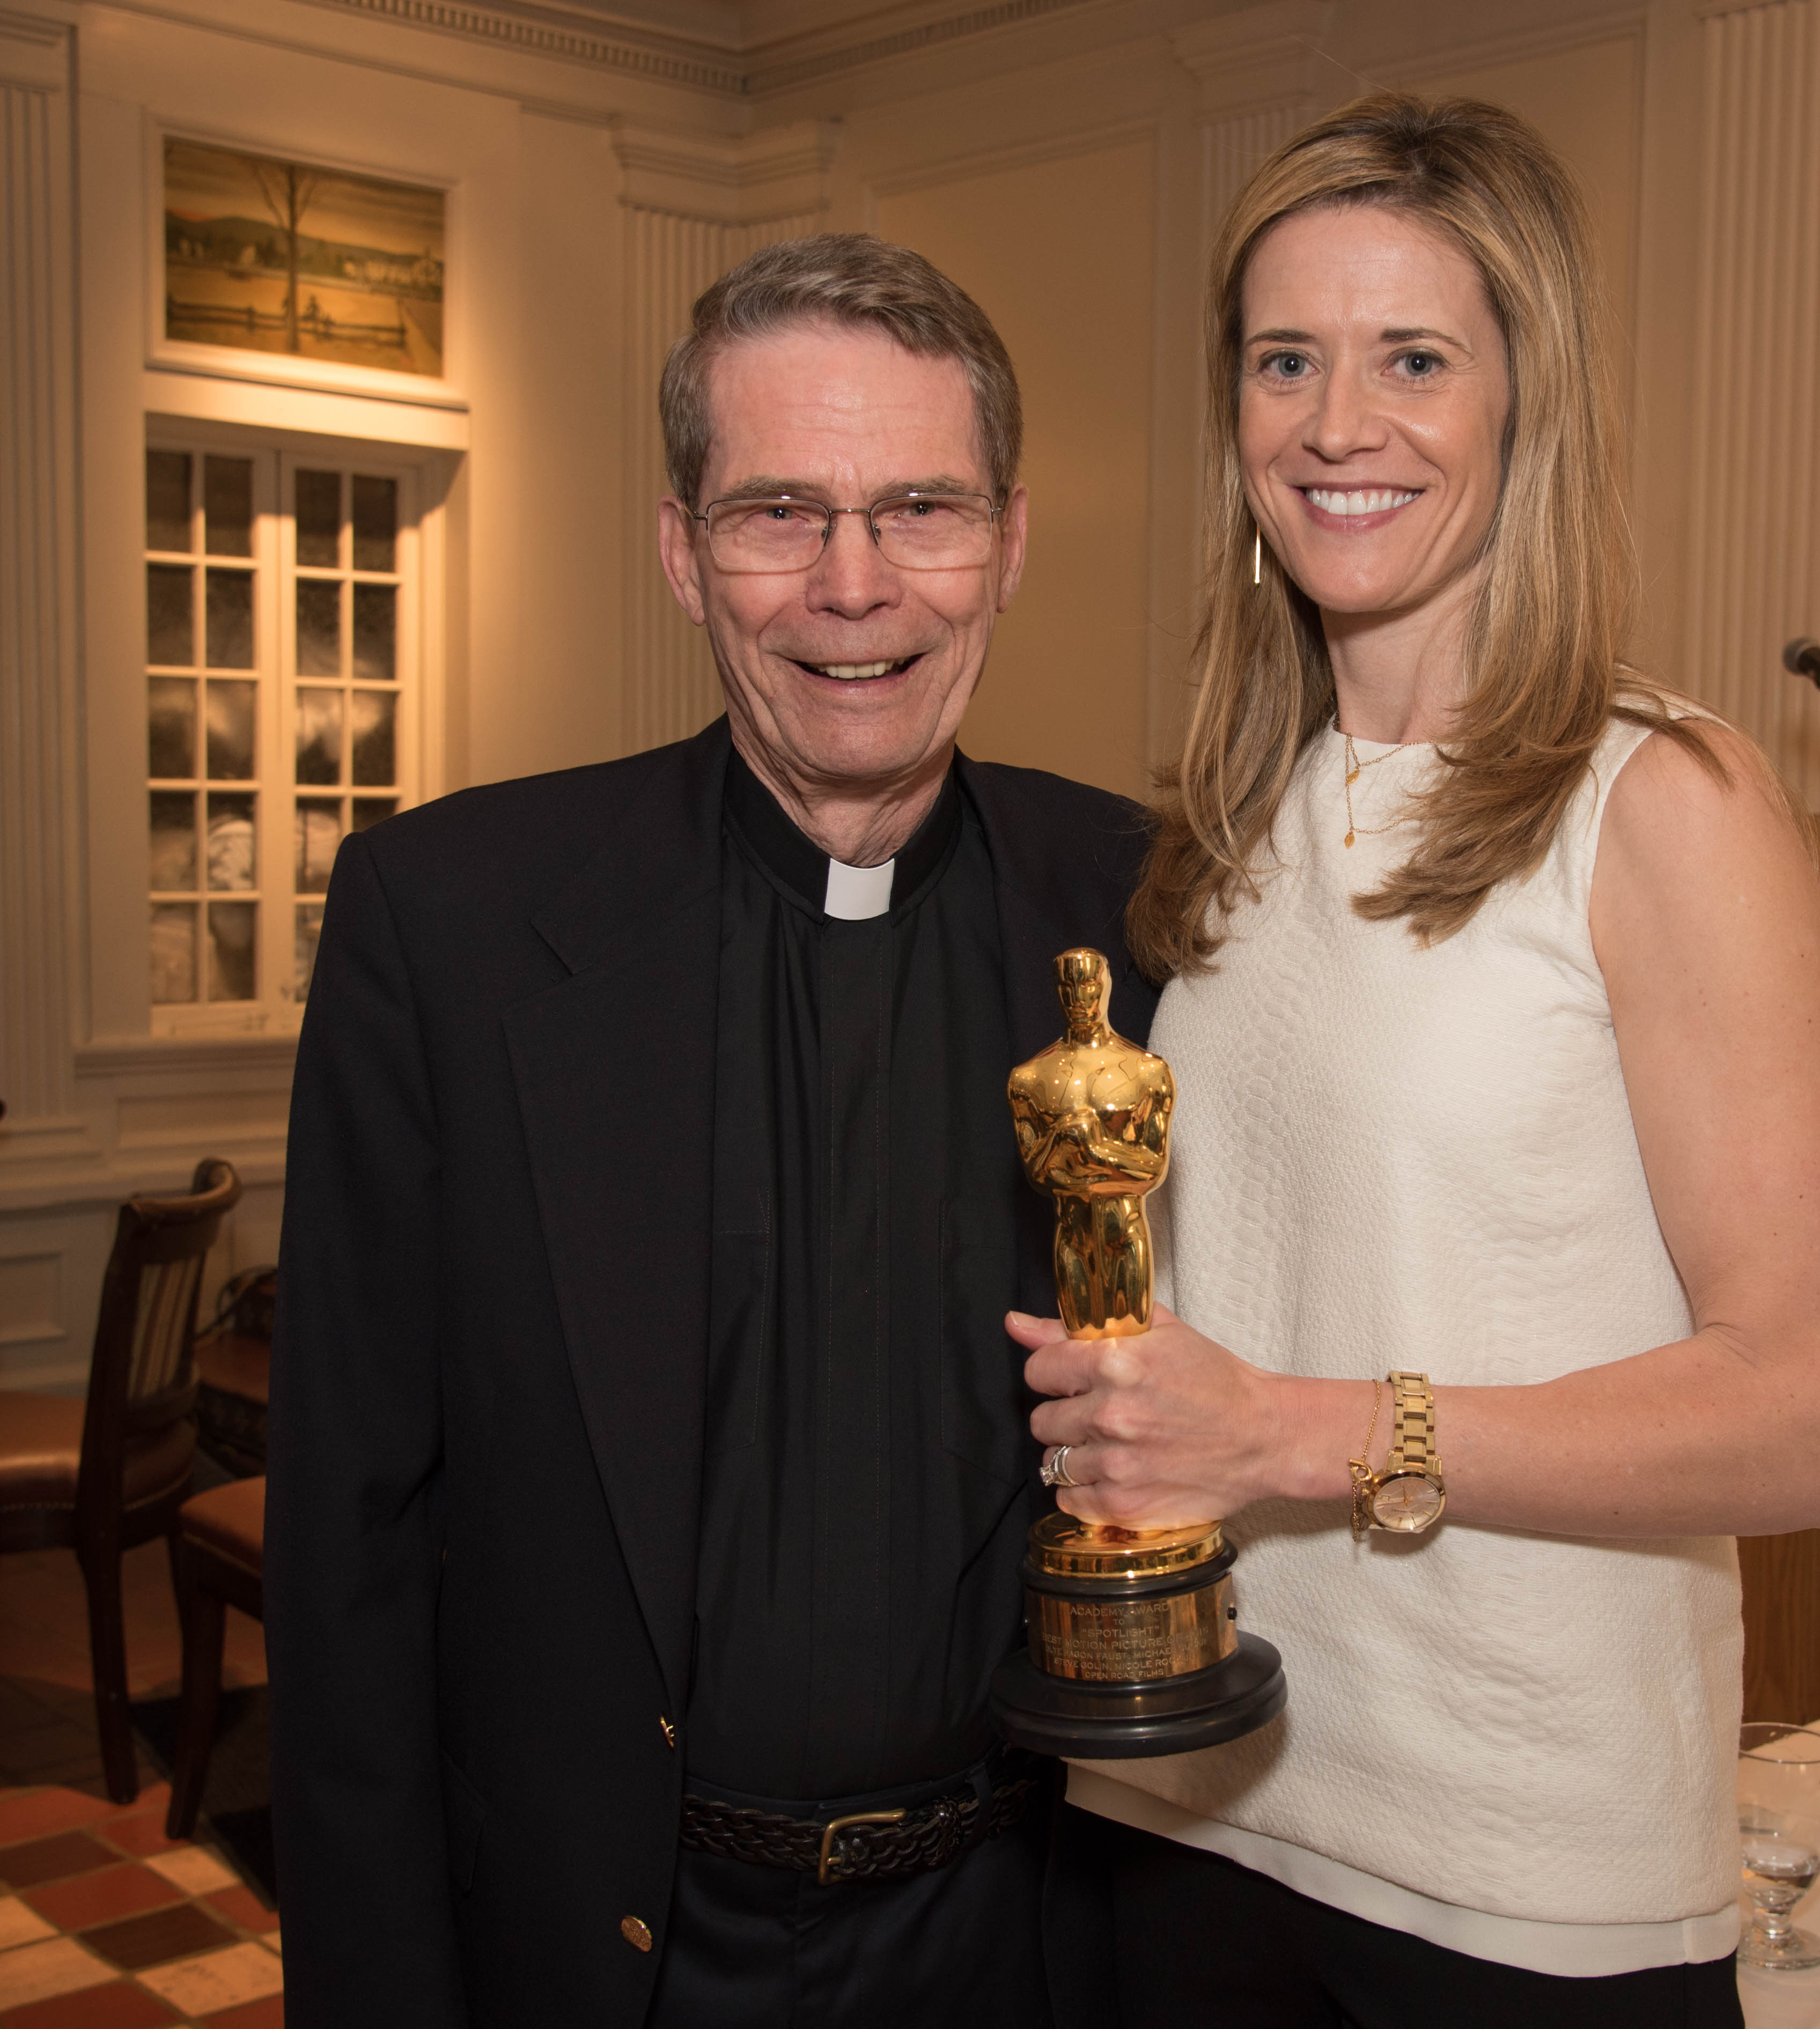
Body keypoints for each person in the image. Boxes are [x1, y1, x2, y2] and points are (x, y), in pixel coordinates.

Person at [1012, 94, 1820, 2028]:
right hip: (1181, 1806)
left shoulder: (1659, 803)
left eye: (1414, 358)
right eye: (1286, 362)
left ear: (1524, 400)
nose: (1340, 424)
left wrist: (1293, 1430)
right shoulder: (1235, 819)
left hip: (1514, 1879)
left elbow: (1817, 1417)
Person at [266, 233, 1159, 2028]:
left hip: (1037, 1937)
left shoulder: (1154, 911)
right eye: (779, 514)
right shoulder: (448, 923)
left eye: (920, 509)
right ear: (683, 553)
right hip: (611, 1952)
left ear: (1008, 543)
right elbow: (348, 1549)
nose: (854, 586)